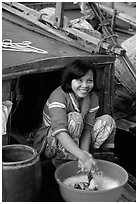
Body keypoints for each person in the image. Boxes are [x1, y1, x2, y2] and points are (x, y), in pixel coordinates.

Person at [34, 59, 116, 171]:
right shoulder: (58, 96)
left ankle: (86, 159)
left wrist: (85, 154)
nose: (85, 85)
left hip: (78, 138)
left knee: (108, 120)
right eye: (79, 80)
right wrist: (82, 156)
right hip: (52, 141)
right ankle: (62, 162)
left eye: (89, 80)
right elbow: (59, 131)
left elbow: (87, 128)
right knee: (76, 118)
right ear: (69, 80)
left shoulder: (92, 98)